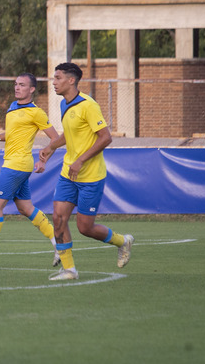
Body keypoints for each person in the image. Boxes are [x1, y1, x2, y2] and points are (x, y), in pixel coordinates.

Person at [36, 62, 133, 280]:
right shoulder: (64, 104)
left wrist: (80, 160)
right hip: (67, 173)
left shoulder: (88, 105)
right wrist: (52, 146)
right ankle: (70, 269)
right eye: (54, 78)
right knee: (59, 219)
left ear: (71, 80)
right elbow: (70, 134)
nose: (54, 82)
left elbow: (105, 137)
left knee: (85, 227)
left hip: (91, 175)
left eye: (58, 78)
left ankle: (122, 241)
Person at [0, 74, 62, 268]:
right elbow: (12, 133)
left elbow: (56, 138)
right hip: (15, 163)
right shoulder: (12, 107)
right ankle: (59, 244)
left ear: (32, 89)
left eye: (22, 85)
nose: (17, 88)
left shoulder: (36, 112)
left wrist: (44, 160)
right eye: (16, 84)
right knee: (25, 208)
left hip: (16, 165)